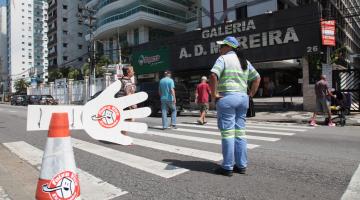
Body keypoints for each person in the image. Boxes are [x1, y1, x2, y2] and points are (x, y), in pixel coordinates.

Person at [210, 36, 261, 176]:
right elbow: (257, 78)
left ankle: (227, 167)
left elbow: (213, 76)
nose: (219, 49)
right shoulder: (244, 61)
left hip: (227, 98)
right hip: (243, 99)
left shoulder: (223, 59)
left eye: (221, 46)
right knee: (240, 133)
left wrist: (214, 94)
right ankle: (241, 165)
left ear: (228, 47)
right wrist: (250, 94)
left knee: (227, 133)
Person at [119, 66, 137, 135]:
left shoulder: (123, 80)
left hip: (122, 103)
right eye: (132, 71)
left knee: (127, 120)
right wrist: (132, 105)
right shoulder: (127, 81)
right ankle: (123, 136)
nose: (134, 72)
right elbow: (128, 94)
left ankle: (122, 135)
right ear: (128, 72)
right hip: (125, 104)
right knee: (129, 120)